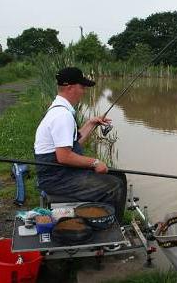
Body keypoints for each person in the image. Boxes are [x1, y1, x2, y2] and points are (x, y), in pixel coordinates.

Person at [34, 66, 126, 221]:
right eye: (82, 87)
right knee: (115, 185)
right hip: (57, 178)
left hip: (59, 172)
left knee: (119, 176)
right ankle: (111, 227)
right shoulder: (62, 116)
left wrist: (91, 123)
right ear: (70, 88)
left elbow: (73, 145)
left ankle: (100, 216)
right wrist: (95, 162)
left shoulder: (59, 108)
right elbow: (64, 157)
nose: (84, 91)